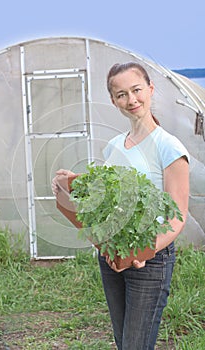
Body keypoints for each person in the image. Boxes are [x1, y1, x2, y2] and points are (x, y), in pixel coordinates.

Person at [52, 62, 190, 350]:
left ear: (151, 89)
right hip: (112, 253)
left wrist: (147, 249)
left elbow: (177, 218)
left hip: (150, 259)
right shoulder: (114, 145)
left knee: (136, 345)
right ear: (114, 101)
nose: (132, 100)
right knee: (122, 340)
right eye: (122, 94)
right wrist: (73, 182)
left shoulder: (169, 147)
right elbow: (109, 194)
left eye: (137, 90)